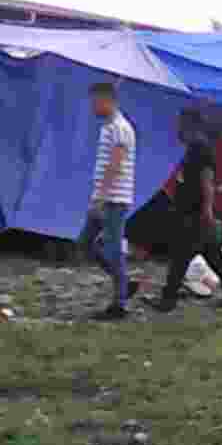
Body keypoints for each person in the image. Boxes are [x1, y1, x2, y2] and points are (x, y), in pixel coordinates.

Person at [147, 108, 222, 312]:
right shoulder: (192, 147)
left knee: (180, 256)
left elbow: (207, 180)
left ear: (190, 124)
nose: (177, 128)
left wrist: (207, 209)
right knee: (213, 255)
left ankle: (168, 300)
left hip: (195, 211)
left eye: (180, 124)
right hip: (191, 210)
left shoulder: (201, 148)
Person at [81, 82, 137, 320]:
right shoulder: (108, 127)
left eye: (95, 101)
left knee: (114, 249)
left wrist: (101, 198)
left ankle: (119, 304)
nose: (92, 106)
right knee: (85, 242)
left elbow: (116, 165)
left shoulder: (120, 128)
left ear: (107, 100)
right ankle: (124, 282)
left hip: (114, 199)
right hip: (104, 197)